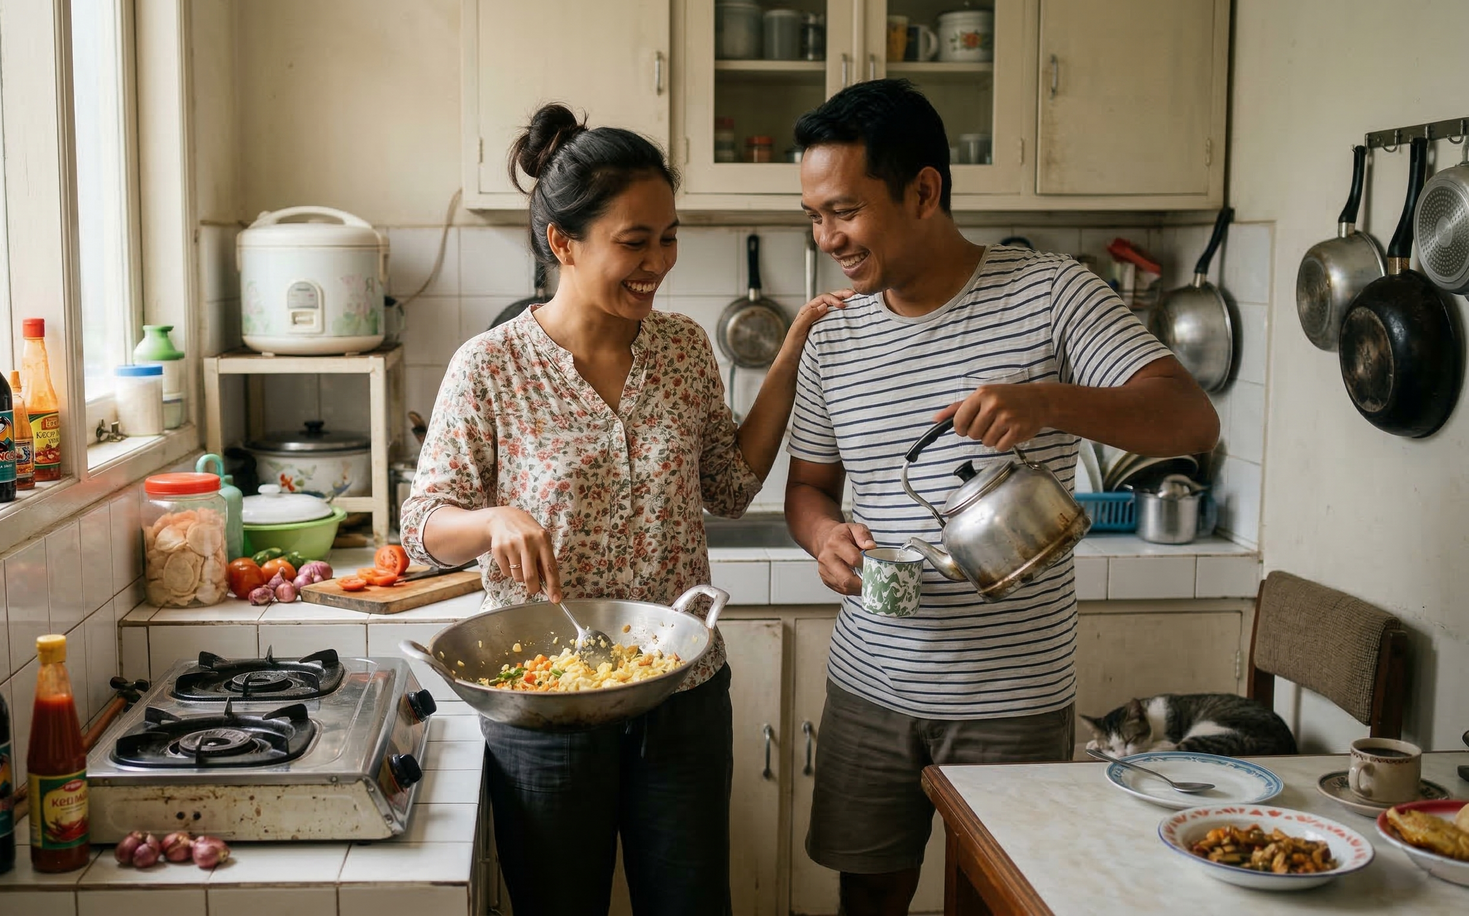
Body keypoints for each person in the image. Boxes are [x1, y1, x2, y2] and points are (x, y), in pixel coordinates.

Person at [784, 80, 1220, 916]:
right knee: (868, 891)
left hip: (1014, 697)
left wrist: (1048, 401)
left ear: (923, 190)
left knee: (993, 897)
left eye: (842, 210)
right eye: (814, 215)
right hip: (871, 679)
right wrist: (824, 537)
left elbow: (1190, 420)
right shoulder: (834, 335)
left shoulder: (1051, 292)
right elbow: (808, 488)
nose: (826, 236)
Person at [401, 102, 846, 916]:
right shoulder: (491, 366)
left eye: (669, 237)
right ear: (562, 244)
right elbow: (425, 525)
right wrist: (494, 519)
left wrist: (789, 355)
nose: (658, 263)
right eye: (634, 243)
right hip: (547, 701)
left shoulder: (681, 350)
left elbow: (729, 486)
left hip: (681, 690)